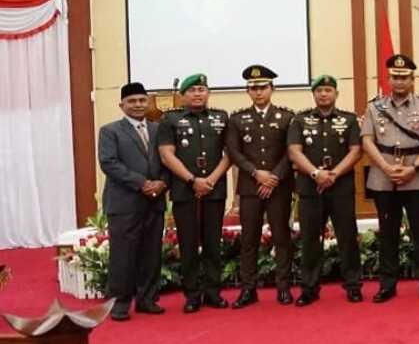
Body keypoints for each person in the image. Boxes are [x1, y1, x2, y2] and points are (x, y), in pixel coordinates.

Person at [361, 54, 419, 303]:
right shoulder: (375, 106)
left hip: (417, 176)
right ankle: (387, 284)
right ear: (388, 78)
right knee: (388, 233)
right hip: (384, 177)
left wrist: (414, 168)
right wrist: (385, 166)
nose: (399, 81)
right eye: (395, 77)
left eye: (404, 77)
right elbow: (366, 140)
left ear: (412, 79)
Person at [286, 75, 363, 306]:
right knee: (310, 239)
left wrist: (334, 174)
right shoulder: (300, 120)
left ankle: (353, 286)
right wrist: (315, 173)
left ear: (336, 94)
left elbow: (356, 151)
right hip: (311, 188)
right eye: (319, 90)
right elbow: (294, 151)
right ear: (313, 94)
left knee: (347, 238)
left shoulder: (348, 120)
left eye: (328, 90)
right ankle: (309, 288)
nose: (323, 94)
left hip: (341, 187)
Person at [157, 74, 231, 313]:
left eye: (202, 89)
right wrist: (192, 180)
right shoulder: (170, 119)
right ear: (183, 94)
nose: (197, 94)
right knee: (188, 244)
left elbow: (230, 153)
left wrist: (210, 179)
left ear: (208, 92)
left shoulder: (221, 118)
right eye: (192, 90)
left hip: (214, 188)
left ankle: (213, 292)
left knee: (212, 243)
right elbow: (167, 155)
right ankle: (191, 295)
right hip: (184, 190)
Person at [225, 65, 295, 308]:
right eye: (253, 88)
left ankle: (284, 288)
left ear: (272, 88)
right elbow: (233, 151)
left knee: (281, 237)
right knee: (249, 239)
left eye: (262, 87)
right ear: (247, 91)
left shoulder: (287, 117)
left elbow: (291, 152)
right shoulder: (237, 119)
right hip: (250, 188)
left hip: (279, 187)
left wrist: (273, 177)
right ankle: (248, 290)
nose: (258, 92)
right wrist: (257, 174)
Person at [98, 82, 167, 321]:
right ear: (122, 105)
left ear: (147, 102)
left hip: (154, 201)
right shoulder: (110, 131)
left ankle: (147, 300)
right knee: (123, 255)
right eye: (132, 101)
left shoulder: (159, 130)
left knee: (151, 254)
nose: (138, 105)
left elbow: (170, 160)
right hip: (124, 203)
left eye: (141, 100)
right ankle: (119, 304)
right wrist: (142, 183)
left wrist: (161, 182)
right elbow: (109, 163)